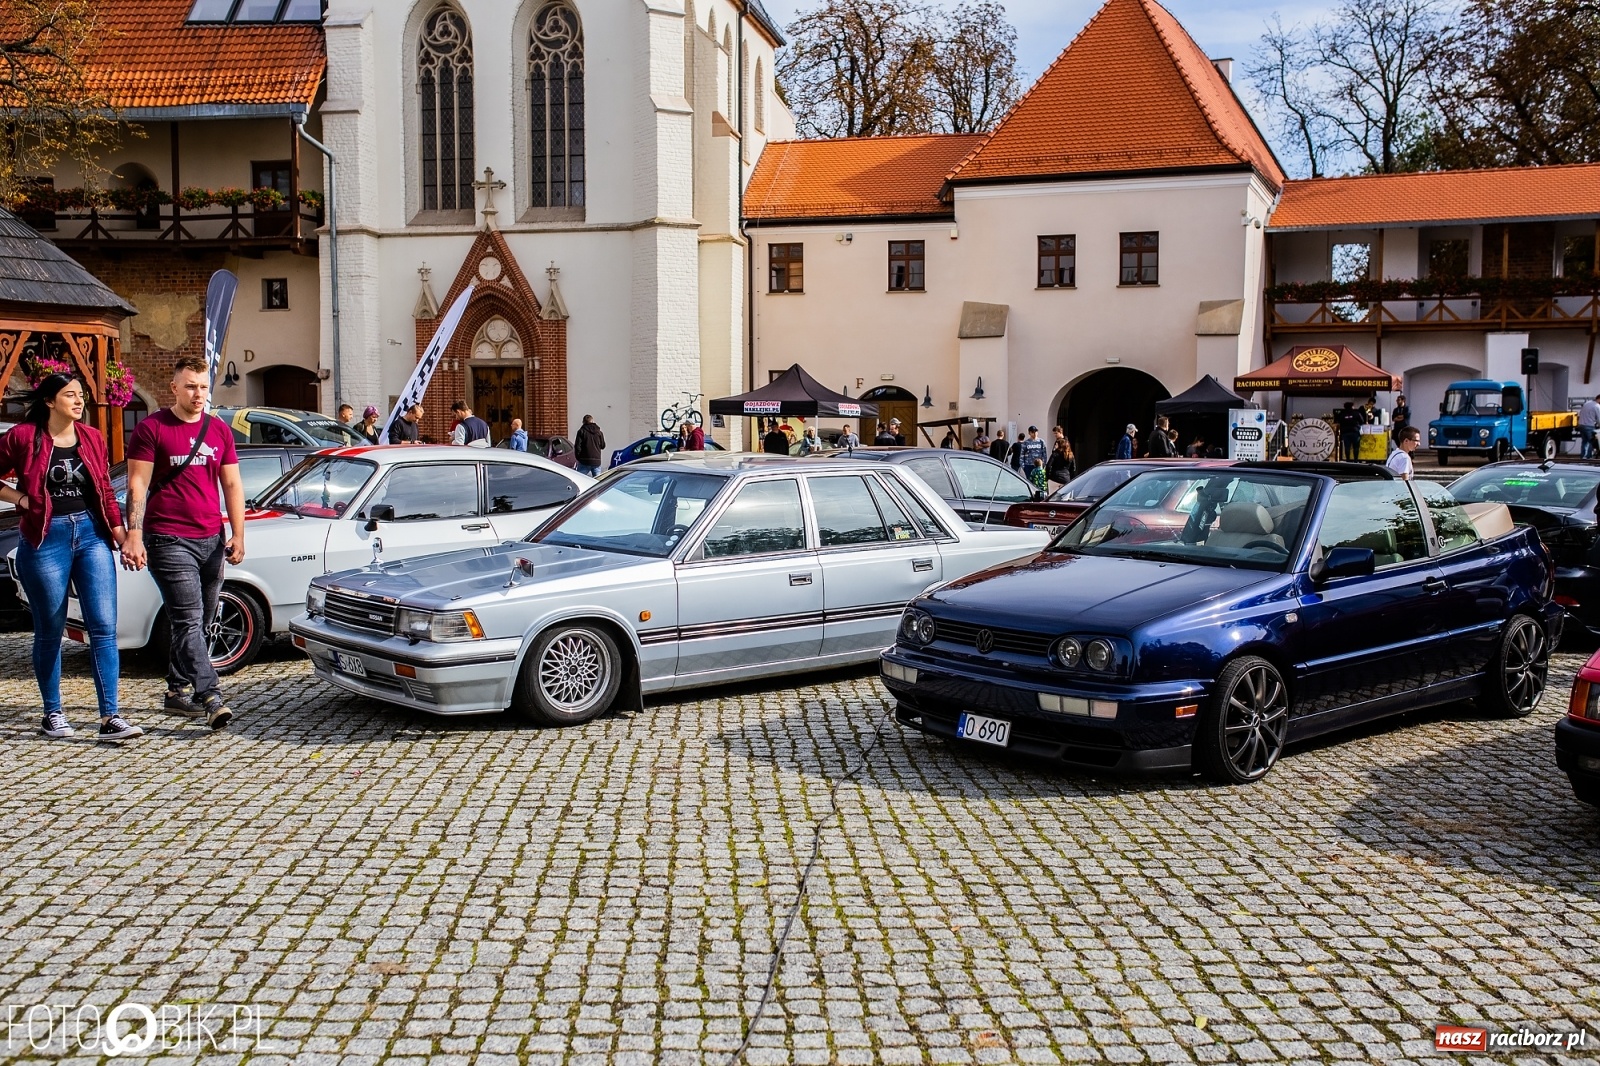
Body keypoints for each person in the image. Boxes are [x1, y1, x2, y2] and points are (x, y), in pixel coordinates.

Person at [0, 374, 140, 741]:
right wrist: (20, 500)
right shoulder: (22, 438)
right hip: (47, 538)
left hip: (92, 535)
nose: (79, 402)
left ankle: (111, 717)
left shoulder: (92, 437)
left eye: (81, 395)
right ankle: (53, 713)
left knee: (104, 628)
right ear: (49, 400)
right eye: (70, 395)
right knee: (50, 629)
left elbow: (106, 492)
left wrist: (123, 536)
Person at [121, 356, 246, 730]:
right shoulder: (152, 428)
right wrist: (135, 533)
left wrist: (238, 533)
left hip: (211, 538)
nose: (198, 394)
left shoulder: (218, 430)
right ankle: (210, 695)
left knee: (202, 620)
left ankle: (177, 692)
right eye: (190, 386)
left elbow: (233, 485)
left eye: (204, 387)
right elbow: (136, 485)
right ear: (174, 388)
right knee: (188, 619)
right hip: (168, 538)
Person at [1579, 394, 1600, 459]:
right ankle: (1588, 457)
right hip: (1589, 426)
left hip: (1581, 425)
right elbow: (1599, 419)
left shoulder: (1587, 403)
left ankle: (1583, 456)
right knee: (1591, 442)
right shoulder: (1597, 406)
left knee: (1584, 441)